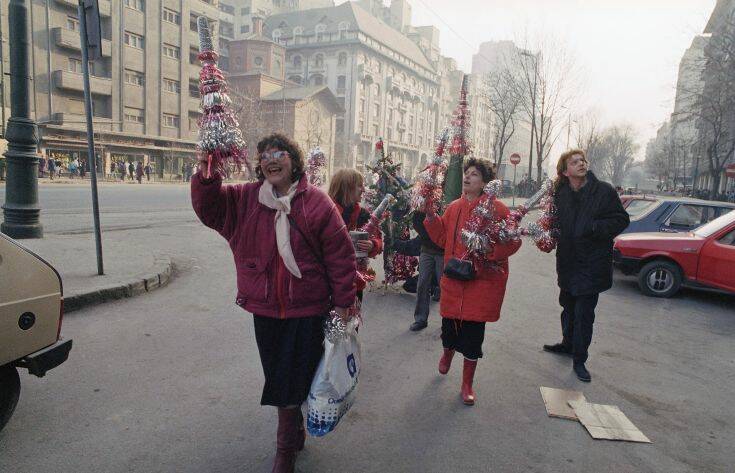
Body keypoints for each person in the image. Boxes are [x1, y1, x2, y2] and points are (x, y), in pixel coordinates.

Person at [191, 133, 356, 473]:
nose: (270, 159)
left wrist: (343, 305)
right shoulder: (246, 200)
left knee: (289, 379)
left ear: (293, 161)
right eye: (264, 154)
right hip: (265, 309)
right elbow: (210, 210)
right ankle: (293, 427)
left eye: (278, 152)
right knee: (280, 376)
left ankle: (284, 451)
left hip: (307, 310)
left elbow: (341, 258)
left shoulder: (318, 204)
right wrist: (207, 173)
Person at [424, 158, 522, 405]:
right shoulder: (453, 207)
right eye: (467, 173)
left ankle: (467, 384)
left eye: (475, 174)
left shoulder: (498, 209)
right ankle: (447, 352)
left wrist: (489, 251)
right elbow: (441, 238)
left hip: (481, 283)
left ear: (485, 182)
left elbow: (513, 241)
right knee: (449, 329)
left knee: (473, 337)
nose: (467, 177)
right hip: (455, 280)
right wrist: (430, 217)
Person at [542, 149, 629, 383]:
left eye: (583, 161)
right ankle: (567, 344)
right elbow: (553, 222)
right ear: (564, 170)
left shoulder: (604, 191)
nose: (581, 164)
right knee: (567, 306)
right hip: (568, 261)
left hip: (592, 264)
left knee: (584, 315)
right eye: (575, 162)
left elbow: (621, 220)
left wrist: (593, 228)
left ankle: (580, 360)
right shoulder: (560, 193)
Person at [327, 169, 383, 302]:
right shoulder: (327, 211)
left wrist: (372, 245)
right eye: (359, 185)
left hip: (355, 284)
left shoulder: (363, 214)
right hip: (328, 283)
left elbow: (378, 240)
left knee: (353, 321)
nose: (363, 189)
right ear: (346, 187)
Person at [409, 210, 444, 331]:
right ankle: (420, 319)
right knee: (422, 283)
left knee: (445, 285)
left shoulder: (446, 201)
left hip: (443, 252)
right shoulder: (420, 207)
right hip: (426, 250)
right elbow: (417, 225)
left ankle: (448, 321)